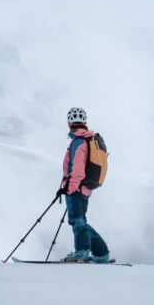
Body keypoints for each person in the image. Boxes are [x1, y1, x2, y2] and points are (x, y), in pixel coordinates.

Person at [56, 107, 110, 263]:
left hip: (77, 188)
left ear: (69, 123)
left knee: (77, 220)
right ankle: (101, 254)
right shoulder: (87, 139)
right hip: (85, 188)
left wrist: (69, 188)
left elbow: (77, 170)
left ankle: (82, 252)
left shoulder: (79, 141)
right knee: (80, 220)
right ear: (84, 122)